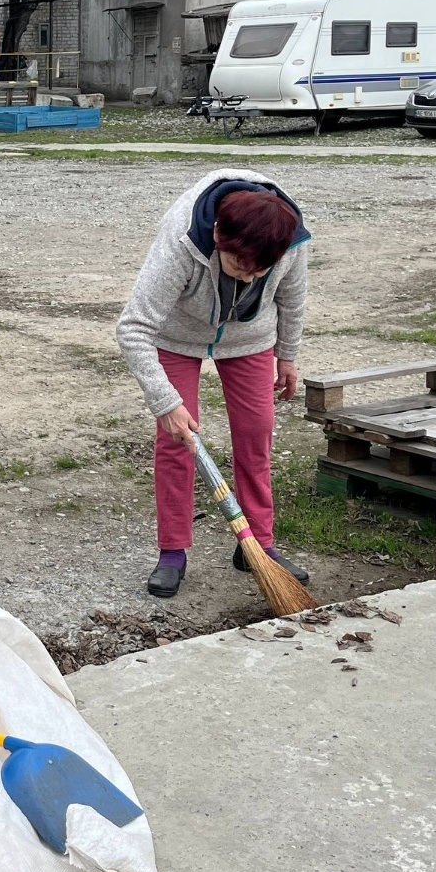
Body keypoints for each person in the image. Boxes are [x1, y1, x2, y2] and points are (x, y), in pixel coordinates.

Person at [116, 171, 310, 599]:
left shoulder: (287, 239)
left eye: (260, 272)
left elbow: (292, 298)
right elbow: (133, 328)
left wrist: (288, 354)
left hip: (250, 339)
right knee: (177, 441)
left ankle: (257, 544)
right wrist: (165, 402)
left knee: (256, 434)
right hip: (177, 335)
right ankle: (172, 551)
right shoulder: (182, 241)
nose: (247, 280)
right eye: (240, 266)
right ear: (219, 236)